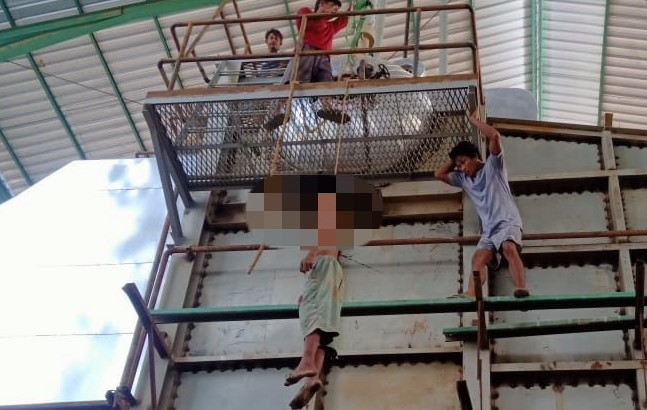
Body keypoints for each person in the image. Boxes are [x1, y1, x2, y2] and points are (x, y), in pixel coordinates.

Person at [435, 112, 530, 299]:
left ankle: (522, 288)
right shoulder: (463, 179)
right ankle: (472, 292)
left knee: (508, 248)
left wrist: (473, 121)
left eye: (463, 162)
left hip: (507, 221)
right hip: (489, 229)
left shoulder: (494, 166)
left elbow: (495, 136)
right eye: (458, 166)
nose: (461, 168)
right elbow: (438, 174)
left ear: (475, 157)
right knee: (478, 258)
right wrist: (455, 157)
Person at [284, 192, 344, 409]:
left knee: (312, 315)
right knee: (321, 325)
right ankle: (313, 378)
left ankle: (307, 362)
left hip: (323, 265)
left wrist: (311, 255)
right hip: (332, 272)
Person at [264, 0, 352, 131]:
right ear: (322, 3)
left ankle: (327, 107)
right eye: (333, 7)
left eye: (336, 10)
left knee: (326, 80)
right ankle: (278, 112)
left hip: (324, 57)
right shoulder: (306, 12)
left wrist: (353, 7)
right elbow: (301, 23)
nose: (335, 12)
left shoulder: (330, 27)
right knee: (293, 80)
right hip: (307, 52)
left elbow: (344, 20)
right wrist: (320, 14)